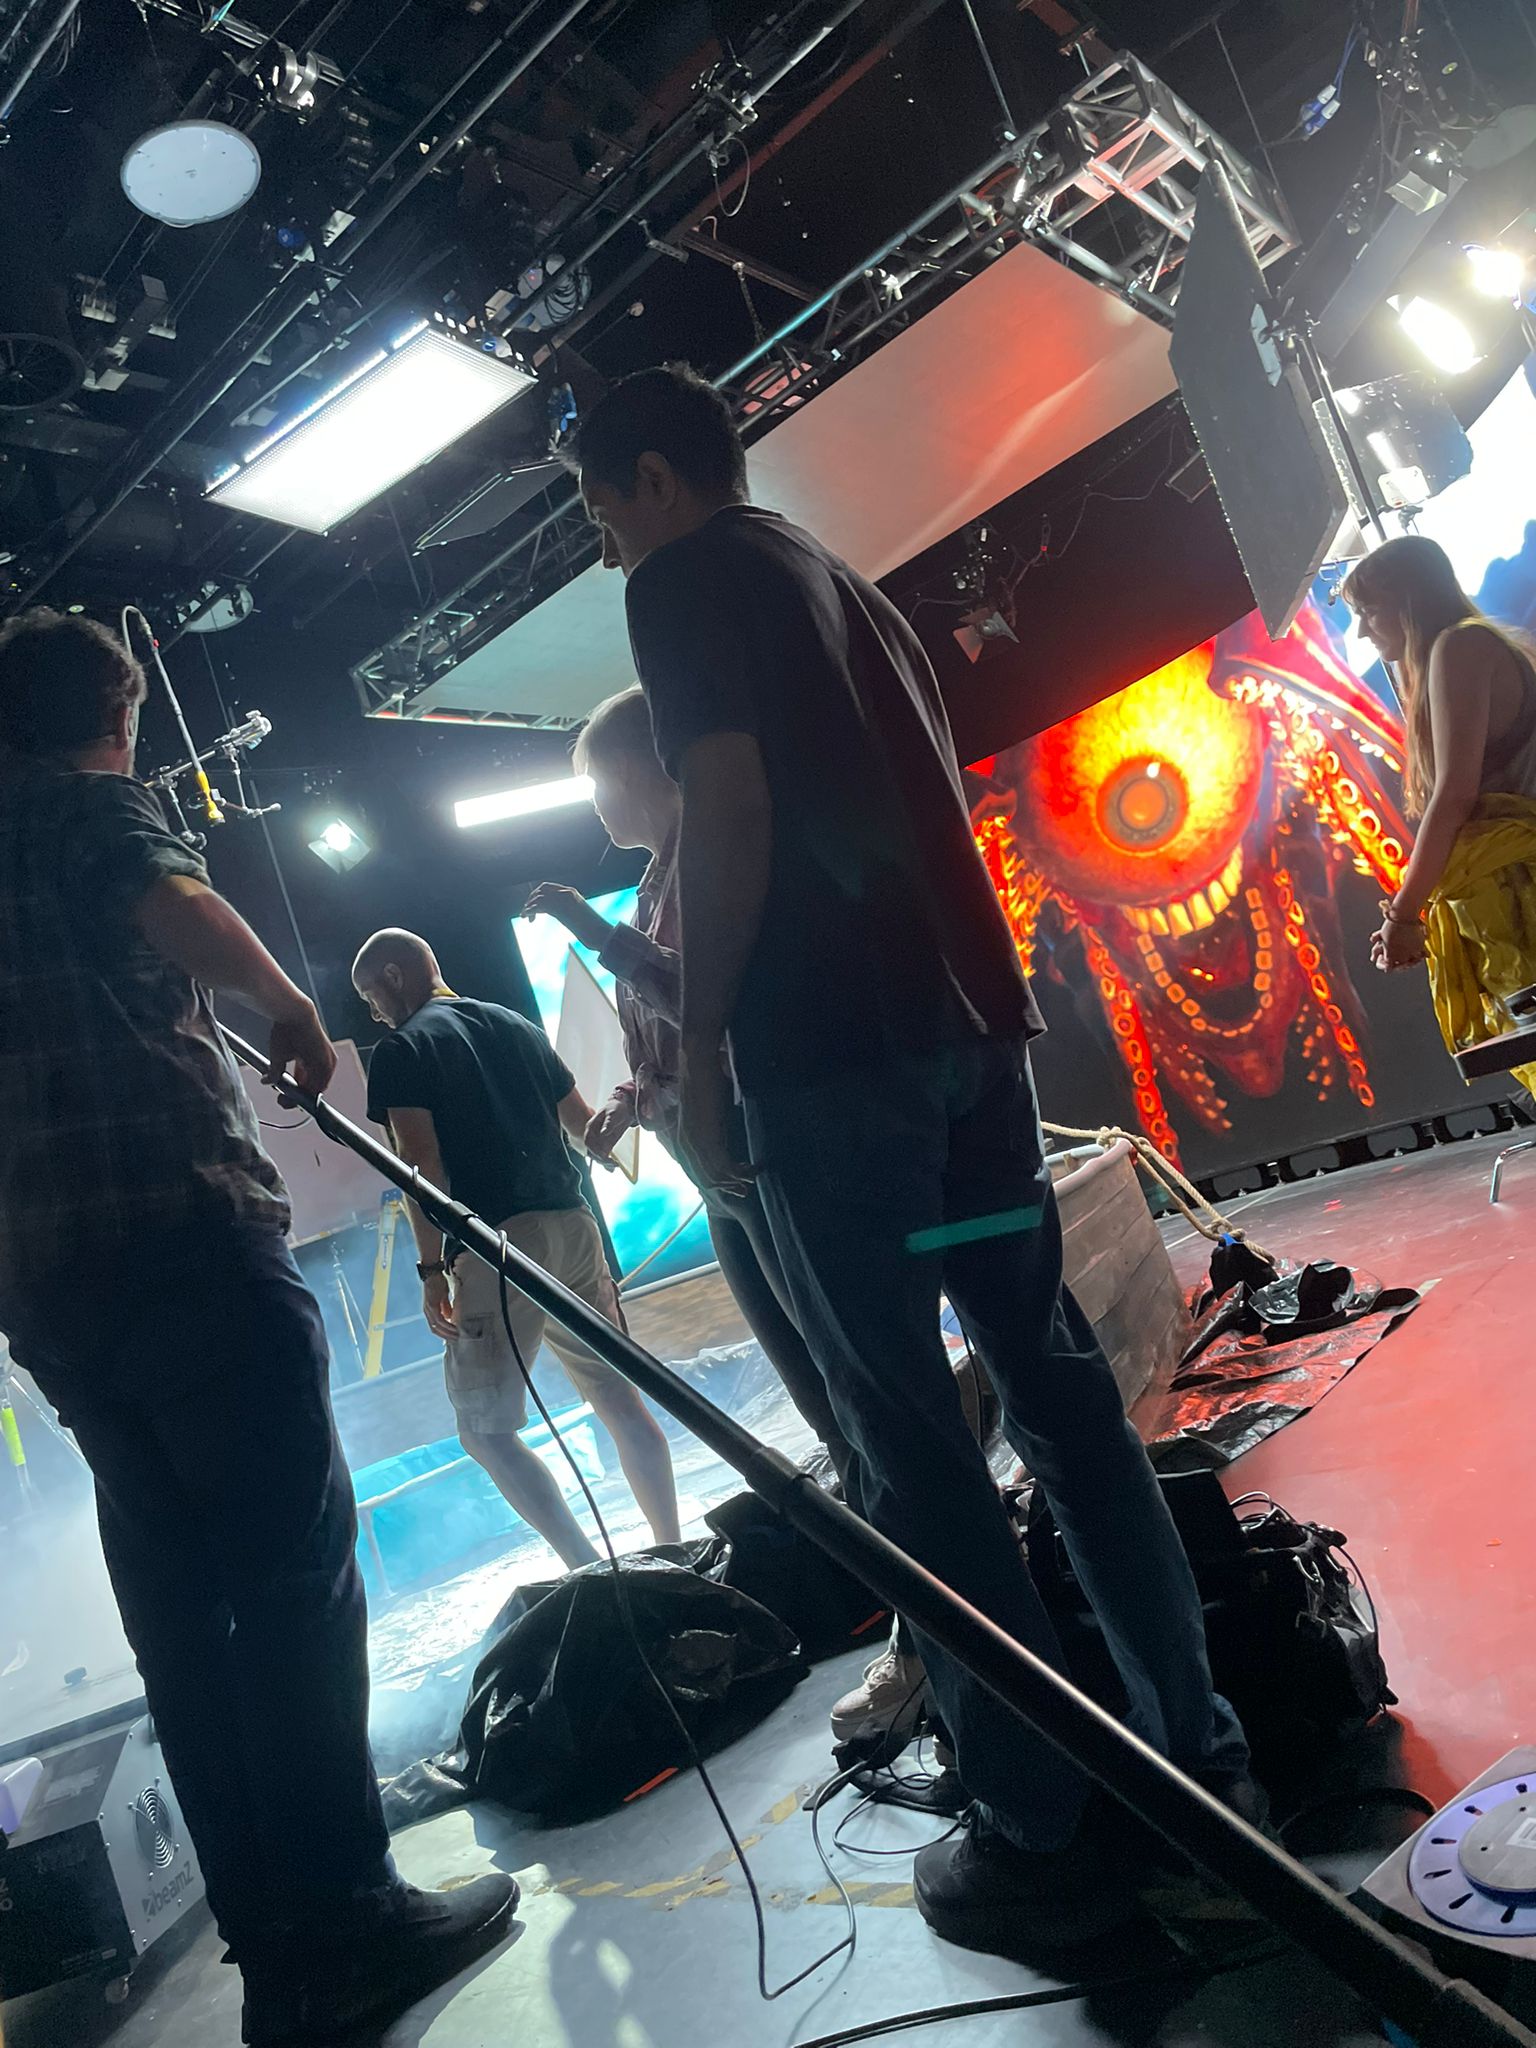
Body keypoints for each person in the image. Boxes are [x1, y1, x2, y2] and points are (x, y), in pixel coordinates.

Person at [573, 364, 1253, 1956]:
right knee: (1058, 1395)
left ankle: (1034, 1823)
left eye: (601, 508)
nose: (605, 542)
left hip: (831, 1073)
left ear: (656, 477)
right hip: (968, 1047)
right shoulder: (844, 584)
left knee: (912, 1457)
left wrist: (710, 1051)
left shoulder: (686, 578)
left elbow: (730, 805)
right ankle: (1204, 1765)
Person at [0, 609, 517, 2048]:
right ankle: (352, 1917)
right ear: (117, 720)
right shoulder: (86, 805)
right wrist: (290, 1006)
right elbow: (169, 897)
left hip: (53, 1295)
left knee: (182, 1623)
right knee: (293, 1579)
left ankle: (278, 1961)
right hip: (183, 1240)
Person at [525, 689, 927, 1748]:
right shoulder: (657, 879)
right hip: (718, 1167)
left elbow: (708, 1003)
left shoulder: (710, 860)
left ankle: (941, 1632)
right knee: (826, 1402)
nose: (595, 805)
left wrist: (592, 934)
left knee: (853, 1393)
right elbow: (669, 1037)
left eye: (597, 782)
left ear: (639, 770)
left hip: (756, 1149)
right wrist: (629, 1101)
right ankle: (924, 1621)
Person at [351, 929, 681, 1569]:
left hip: (497, 1243)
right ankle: (675, 1548)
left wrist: (430, 1269)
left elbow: (422, 1169)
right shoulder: (517, 1025)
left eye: (371, 997)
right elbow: (586, 1130)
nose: (374, 1014)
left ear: (393, 976)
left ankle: (591, 1569)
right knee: (620, 1400)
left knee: (485, 1432)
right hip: (574, 1226)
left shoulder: (402, 1049)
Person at [1344, 535, 1536, 1093]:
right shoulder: (1462, 647)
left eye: (1369, 611)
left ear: (1408, 601)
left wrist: (1404, 915)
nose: (1363, 631)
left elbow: (1453, 795)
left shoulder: (1461, 646)